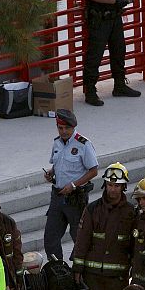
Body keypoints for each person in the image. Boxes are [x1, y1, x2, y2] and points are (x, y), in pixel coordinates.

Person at [72, 162, 135, 290]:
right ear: (105, 185)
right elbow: (82, 239)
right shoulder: (93, 209)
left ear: (123, 187)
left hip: (118, 276)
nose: (112, 190)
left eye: (116, 186)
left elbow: (135, 245)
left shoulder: (131, 212)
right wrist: (77, 268)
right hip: (92, 274)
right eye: (109, 185)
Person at [80, 0, 142, 106]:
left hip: (115, 17)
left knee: (119, 51)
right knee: (95, 56)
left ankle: (120, 85)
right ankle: (90, 92)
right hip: (99, 18)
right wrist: (115, 1)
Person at [43, 109, 98, 260]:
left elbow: (93, 171)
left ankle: (79, 271)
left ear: (73, 127)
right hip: (57, 196)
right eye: (60, 128)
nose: (63, 131)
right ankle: (58, 270)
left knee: (79, 238)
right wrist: (51, 173)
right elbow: (57, 164)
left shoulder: (83, 144)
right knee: (50, 238)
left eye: (67, 128)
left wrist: (74, 185)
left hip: (75, 198)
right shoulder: (56, 143)